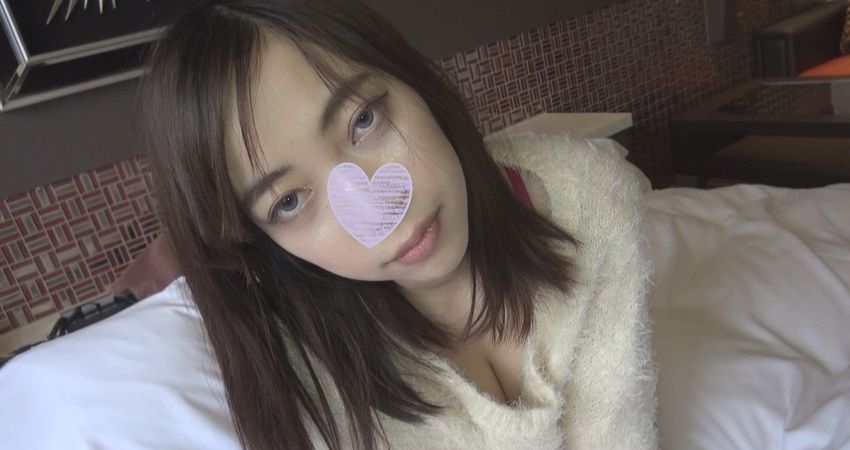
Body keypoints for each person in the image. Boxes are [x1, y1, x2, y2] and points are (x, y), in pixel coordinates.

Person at [136, 0, 658, 449]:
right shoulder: (307, 374)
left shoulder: (589, 199)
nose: (379, 214)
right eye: (289, 202)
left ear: (411, 80)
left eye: (363, 120)